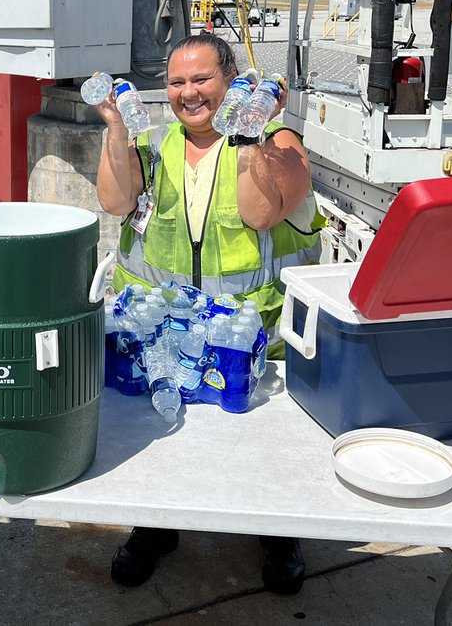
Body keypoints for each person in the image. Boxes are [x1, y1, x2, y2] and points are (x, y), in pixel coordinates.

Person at [95, 32, 324, 595]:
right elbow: (115, 202)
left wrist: (247, 136)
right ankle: (157, 527)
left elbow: (262, 210)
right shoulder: (157, 146)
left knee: (261, 449)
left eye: (203, 80)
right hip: (164, 338)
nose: (188, 93)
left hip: (250, 344)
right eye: (176, 81)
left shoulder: (281, 143)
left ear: (231, 81)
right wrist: (117, 130)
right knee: (159, 438)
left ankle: (277, 532)